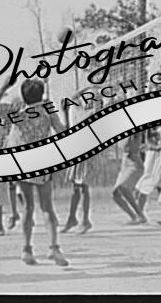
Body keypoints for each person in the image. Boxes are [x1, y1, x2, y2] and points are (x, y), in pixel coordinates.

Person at [0, 77, 69, 266]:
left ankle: (27, 249)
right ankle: (53, 247)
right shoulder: (47, 109)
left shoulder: (18, 112)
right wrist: (65, 113)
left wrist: (3, 88)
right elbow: (62, 131)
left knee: (27, 208)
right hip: (42, 162)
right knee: (47, 207)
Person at [61, 88, 99, 234]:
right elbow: (72, 97)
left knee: (83, 187)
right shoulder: (76, 111)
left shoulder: (91, 114)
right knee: (77, 188)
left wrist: (93, 91)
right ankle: (73, 218)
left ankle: (85, 220)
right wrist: (87, 87)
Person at [112, 132, 148, 225]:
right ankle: (134, 217)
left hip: (134, 162)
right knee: (116, 194)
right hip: (124, 162)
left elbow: (132, 147)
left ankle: (140, 215)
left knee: (123, 188)